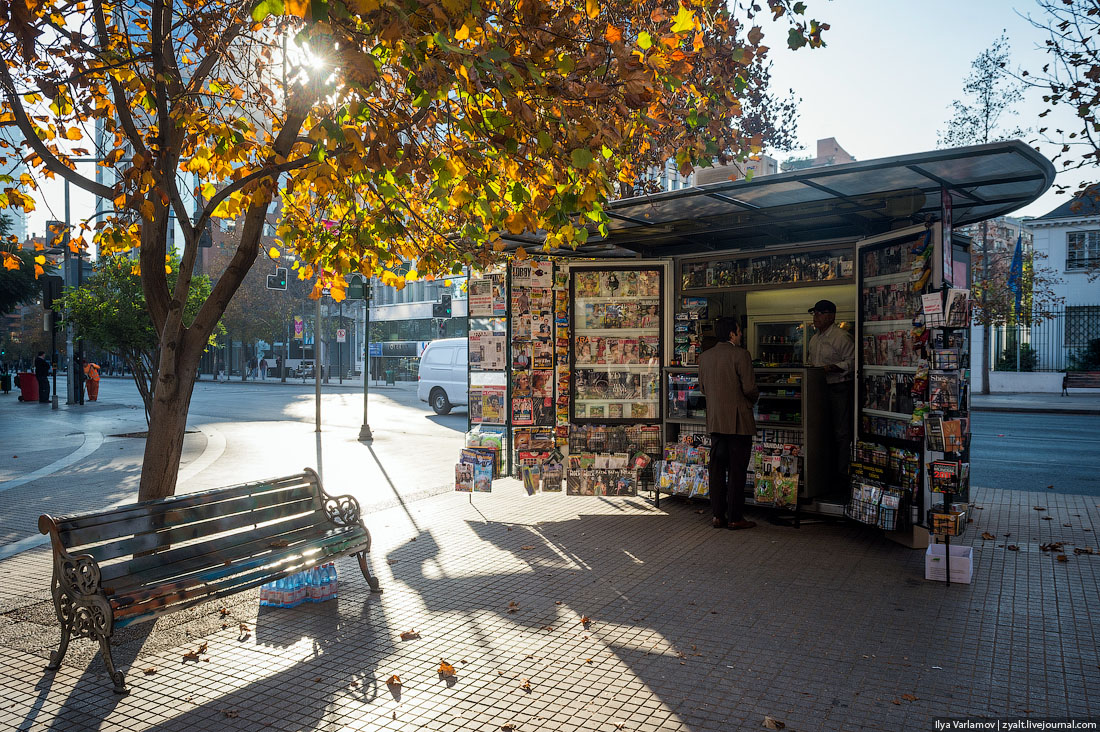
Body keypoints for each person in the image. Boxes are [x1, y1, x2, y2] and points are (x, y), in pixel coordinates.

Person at [697, 317, 758, 530]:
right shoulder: (741, 355)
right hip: (739, 421)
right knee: (737, 470)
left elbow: (703, 388)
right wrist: (751, 401)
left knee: (716, 470)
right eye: (739, 331)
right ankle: (734, 517)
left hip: (715, 421)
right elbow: (750, 388)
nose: (741, 335)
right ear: (732, 333)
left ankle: (717, 516)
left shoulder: (704, 357)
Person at [806, 299, 855, 493]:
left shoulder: (841, 337)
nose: (816, 317)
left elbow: (852, 362)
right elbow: (811, 362)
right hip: (819, 390)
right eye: (814, 313)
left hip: (839, 388)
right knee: (821, 432)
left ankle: (842, 475)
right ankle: (823, 474)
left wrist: (831, 368)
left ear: (831, 316)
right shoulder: (814, 339)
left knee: (841, 433)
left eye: (819, 313)